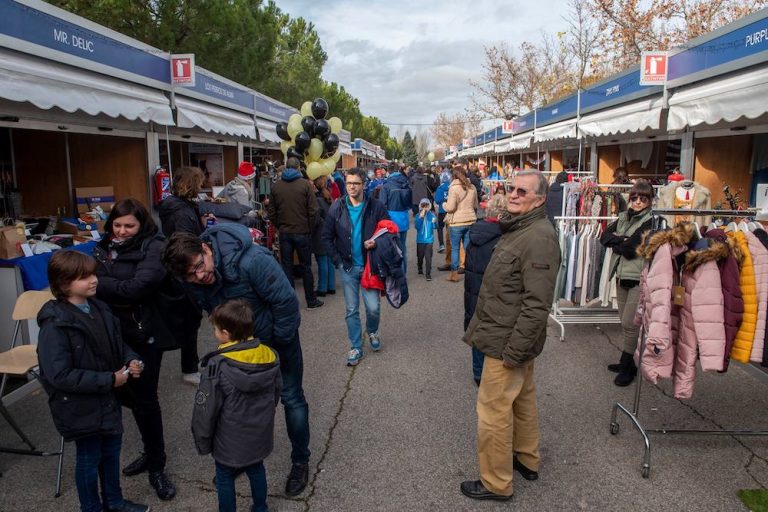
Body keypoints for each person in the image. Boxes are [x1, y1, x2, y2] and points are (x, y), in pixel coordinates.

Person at [161, 223, 311, 497]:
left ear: (205, 248)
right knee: (246, 409)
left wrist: (278, 345)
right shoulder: (193, 281)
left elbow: (286, 303)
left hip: (278, 344)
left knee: (291, 398)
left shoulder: (253, 261)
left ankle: (300, 460)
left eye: (198, 266)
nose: (198, 276)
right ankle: (247, 459)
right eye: (189, 276)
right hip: (240, 354)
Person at [461, 170, 560, 502]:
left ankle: (496, 482)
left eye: (522, 191)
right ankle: (527, 459)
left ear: (540, 199)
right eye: (511, 188)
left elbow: (537, 304)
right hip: (509, 334)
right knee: (522, 399)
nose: (514, 194)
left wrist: (514, 349)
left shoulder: (538, 237)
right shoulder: (522, 228)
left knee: (493, 411)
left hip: (508, 341)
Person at [37, 251, 148, 512]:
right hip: (81, 406)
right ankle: (91, 507)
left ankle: (115, 501)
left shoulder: (99, 307)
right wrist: (110, 380)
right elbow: (59, 375)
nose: (93, 280)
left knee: (111, 454)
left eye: (93, 274)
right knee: (89, 459)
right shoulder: (55, 325)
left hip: (107, 400)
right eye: (84, 277)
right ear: (64, 284)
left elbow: (117, 344)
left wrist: (133, 360)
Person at [93, 198, 176, 500]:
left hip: (143, 335)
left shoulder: (154, 246)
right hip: (110, 335)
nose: (122, 231)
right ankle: (149, 451)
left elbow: (139, 287)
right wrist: (110, 286)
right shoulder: (103, 246)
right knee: (121, 395)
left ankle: (157, 465)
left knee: (145, 400)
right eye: (117, 225)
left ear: (142, 224)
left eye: (129, 225)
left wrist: (99, 283)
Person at [192, 299, 281, 512]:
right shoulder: (269, 355)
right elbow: (277, 391)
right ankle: (260, 507)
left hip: (229, 437)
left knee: (224, 476)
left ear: (225, 333)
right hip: (259, 430)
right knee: (256, 468)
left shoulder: (218, 365)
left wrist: (202, 438)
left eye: (214, 329)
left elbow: (206, 408)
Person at [321, 168, 389, 366]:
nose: (352, 187)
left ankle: (373, 331)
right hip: (348, 267)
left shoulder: (375, 206)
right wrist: (338, 262)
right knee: (351, 309)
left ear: (363, 185)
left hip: (369, 267)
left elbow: (388, 232)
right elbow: (326, 236)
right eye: (349, 183)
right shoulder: (337, 207)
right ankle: (356, 346)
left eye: (356, 183)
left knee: (374, 308)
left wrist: (376, 243)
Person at [599, 180, 655, 386]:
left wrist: (620, 241)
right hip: (621, 275)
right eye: (634, 197)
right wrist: (621, 241)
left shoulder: (651, 221)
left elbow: (632, 249)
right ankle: (628, 361)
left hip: (637, 278)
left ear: (650, 200)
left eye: (643, 198)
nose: (638, 201)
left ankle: (628, 365)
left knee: (629, 324)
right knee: (624, 321)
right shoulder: (623, 217)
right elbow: (604, 238)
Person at [158, 165, 206, 385]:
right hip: (184, 270)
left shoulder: (177, 206)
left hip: (179, 268)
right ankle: (189, 368)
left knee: (188, 317)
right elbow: (185, 242)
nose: (202, 185)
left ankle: (190, 365)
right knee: (189, 317)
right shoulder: (181, 211)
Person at [268, 156, 323, 310]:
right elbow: (314, 211)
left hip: (285, 232)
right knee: (306, 267)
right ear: (299, 168)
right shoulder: (305, 185)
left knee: (287, 267)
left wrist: (279, 225)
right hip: (303, 231)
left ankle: (289, 301)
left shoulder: (276, 186)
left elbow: (271, 212)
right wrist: (309, 227)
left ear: (286, 167)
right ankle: (311, 300)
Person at [464, 195, 506, 386]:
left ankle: (478, 372)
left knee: (477, 329)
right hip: (494, 293)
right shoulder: (506, 238)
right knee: (495, 331)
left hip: (474, 290)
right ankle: (492, 372)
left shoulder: (475, 232)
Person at [444, 166, 478, 282]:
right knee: (468, 248)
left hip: (457, 222)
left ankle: (454, 274)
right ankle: (469, 272)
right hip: (471, 220)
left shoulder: (453, 188)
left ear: (454, 176)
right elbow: (475, 205)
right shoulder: (472, 187)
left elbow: (450, 207)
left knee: (455, 248)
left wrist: (444, 205)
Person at [379, 162, 412, 273]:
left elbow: (382, 205)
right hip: (403, 217)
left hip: (391, 220)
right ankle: (403, 272)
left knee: (393, 249)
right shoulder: (406, 183)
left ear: (388, 170)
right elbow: (409, 202)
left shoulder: (386, 185)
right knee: (402, 247)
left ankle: (397, 274)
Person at [312, 175, 336, 297]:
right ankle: (331, 286)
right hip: (330, 232)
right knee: (329, 260)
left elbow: (316, 219)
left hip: (320, 233)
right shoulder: (329, 198)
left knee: (322, 260)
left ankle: (322, 288)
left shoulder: (317, 200)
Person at [414, 198, 437, 281]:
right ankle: (420, 267)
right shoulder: (418, 215)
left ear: (429, 206)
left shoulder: (432, 215)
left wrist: (435, 222)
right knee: (420, 256)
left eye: (426, 206)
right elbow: (417, 227)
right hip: (420, 240)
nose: (424, 208)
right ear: (420, 206)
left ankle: (428, 274)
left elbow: (435, 227)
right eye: (423, 206)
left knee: (428, 257)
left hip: (429, 240)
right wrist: (420, 218)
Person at [434, 172, 450, 253]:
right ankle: (449, 245)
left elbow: (437, 200)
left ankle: (441, 245)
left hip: (441, 211)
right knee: (449, 228)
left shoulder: (439, 188)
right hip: (450, 211)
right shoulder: (452, 187)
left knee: (440, 228)